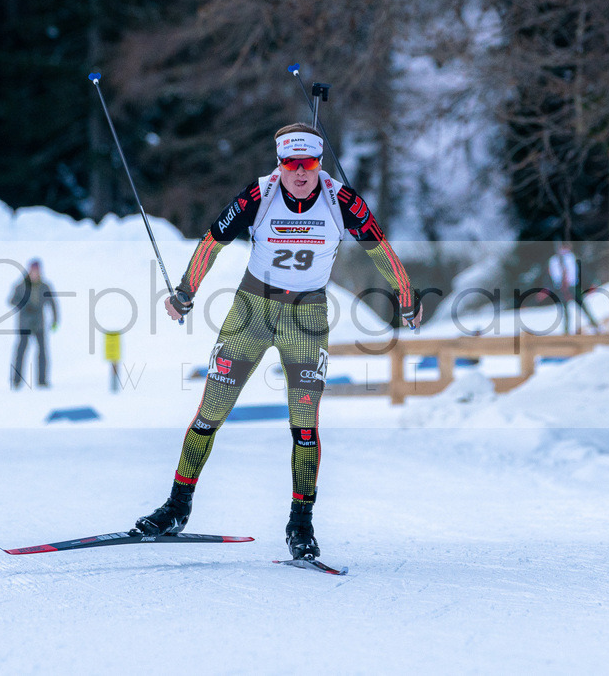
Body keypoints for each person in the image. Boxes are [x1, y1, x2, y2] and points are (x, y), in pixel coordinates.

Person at [134, 123, 423, 560]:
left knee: (305, 423)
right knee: (211, 410)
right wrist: (186, 291)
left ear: (319, 164)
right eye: (291, 164)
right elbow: (214, 239)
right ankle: (177, 507)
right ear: (280, 164)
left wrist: (407, 297)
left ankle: (300, 523)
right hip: (252, 308)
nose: (300, 173)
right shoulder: (261, 194)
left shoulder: (341, 200)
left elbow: (379, 247)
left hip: (306, 316)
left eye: (308, 164)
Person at [9, 259, 59, 389]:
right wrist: (25, 305)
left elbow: (53, 303)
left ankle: (42, 381)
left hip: (39, 325)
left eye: (37, 271)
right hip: (25, 325)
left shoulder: (44, 286)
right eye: (33, 271)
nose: (35, 274)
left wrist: (55, 320)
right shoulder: (21, 286)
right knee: (21, 352)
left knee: (42, 352)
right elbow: (12, 300)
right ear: (29, 271)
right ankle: (16, 381)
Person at [548, 243, 599, 334]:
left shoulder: (571, 257)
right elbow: (553, 275)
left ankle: (595, 325)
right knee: (565, 310)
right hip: (561, 288)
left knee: (583, 306)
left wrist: (589, 282)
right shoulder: (553, 260)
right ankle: (566, 331)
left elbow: (580, 270)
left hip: (573, 286)